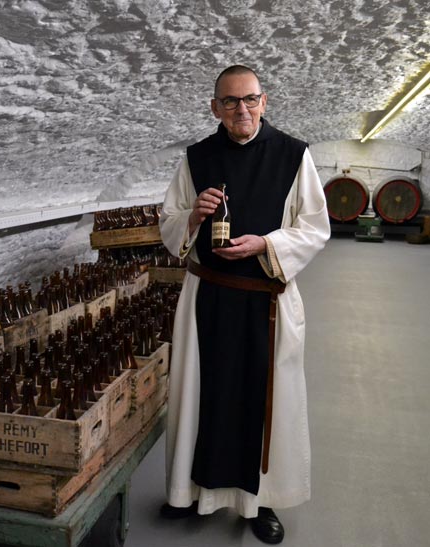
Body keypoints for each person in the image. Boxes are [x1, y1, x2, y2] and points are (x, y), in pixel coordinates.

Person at [159, 65, 330, 544]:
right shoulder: (195, 159)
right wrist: (192, 215)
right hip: (207, 296)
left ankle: (261, 504)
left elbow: (316, 227)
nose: (242, 110)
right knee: (201, 398)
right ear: (214, 107)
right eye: (230, 101)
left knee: (267, 403)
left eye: (250, 99)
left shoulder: (294, 156)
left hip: (266, 303)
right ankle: (190, 491)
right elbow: (168, 222)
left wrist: (266, 245)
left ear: (265, 101)